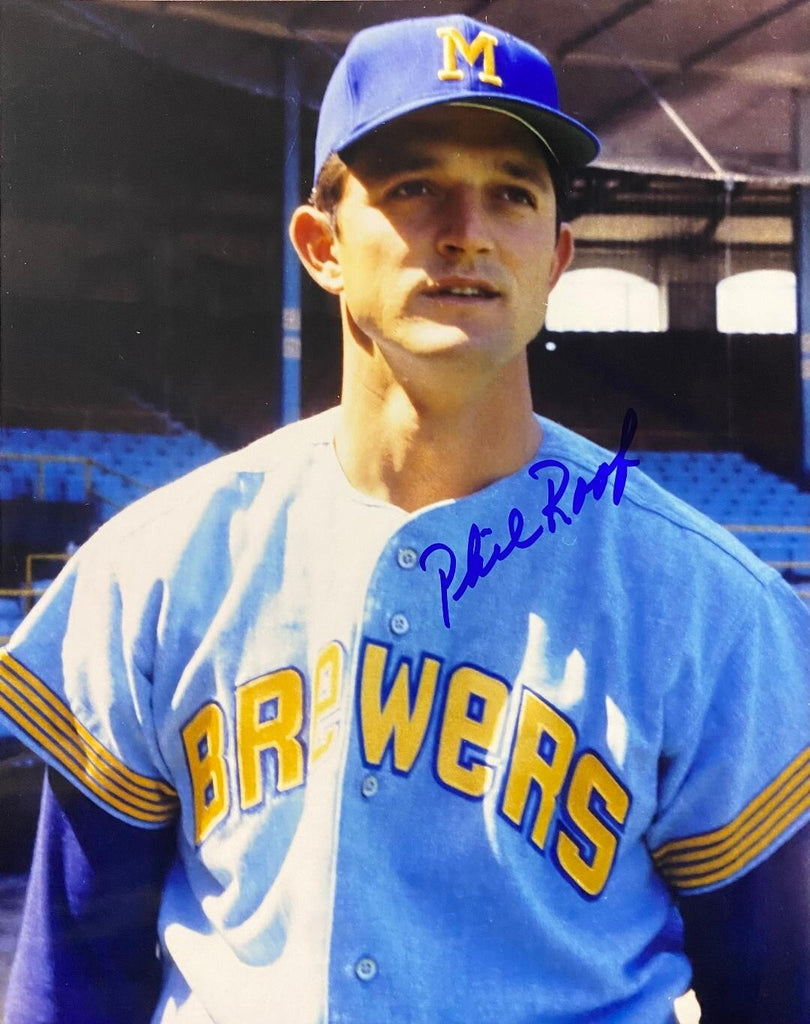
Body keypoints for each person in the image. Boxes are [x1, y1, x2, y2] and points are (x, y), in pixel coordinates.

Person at [1, 14, 808, 1024]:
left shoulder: (706, 604)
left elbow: (780, 993)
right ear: (322, 244)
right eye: (415, 185)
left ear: (557, 258)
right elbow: (70, 984)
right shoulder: (159, 567)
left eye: (512, 193)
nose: (467, 229)